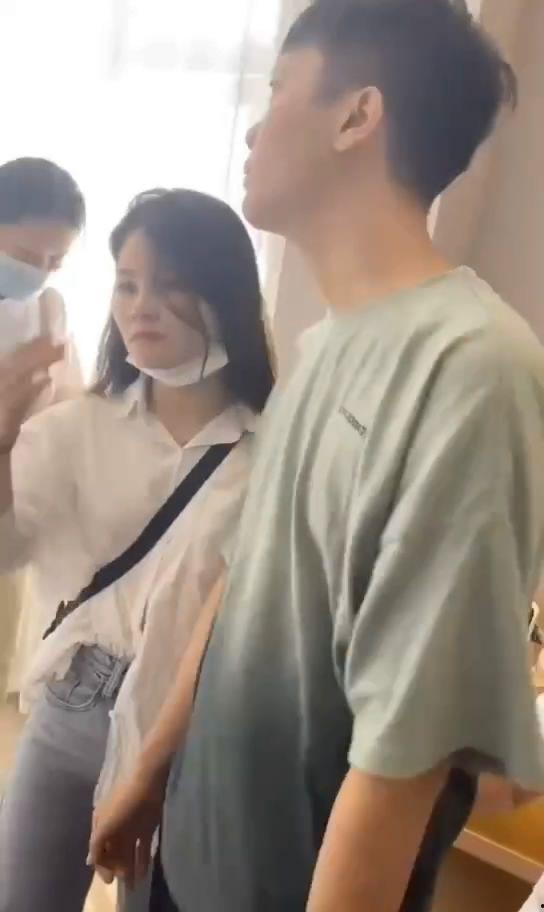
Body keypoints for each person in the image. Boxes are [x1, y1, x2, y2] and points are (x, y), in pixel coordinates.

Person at [90, 2, 544, 911]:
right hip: (190, 853)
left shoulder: (470, 367)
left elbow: (405, 749)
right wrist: (152, 767)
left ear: (356, 115)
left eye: (276, 90)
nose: (253, 129)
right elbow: (243, 585)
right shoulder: (325, 344)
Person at [0, 188, 274, 912]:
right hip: (73, 703)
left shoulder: (276, 449)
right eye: (126, 284)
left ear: (226, 296)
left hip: (194, 728)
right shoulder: (74, 429)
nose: (141, 306)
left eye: (171, 284)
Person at [0, 157, 85, 700]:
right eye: (27, 256)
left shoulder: (48, 309)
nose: (42, 273)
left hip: (13, 508)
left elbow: (69, 400)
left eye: (56, 260)